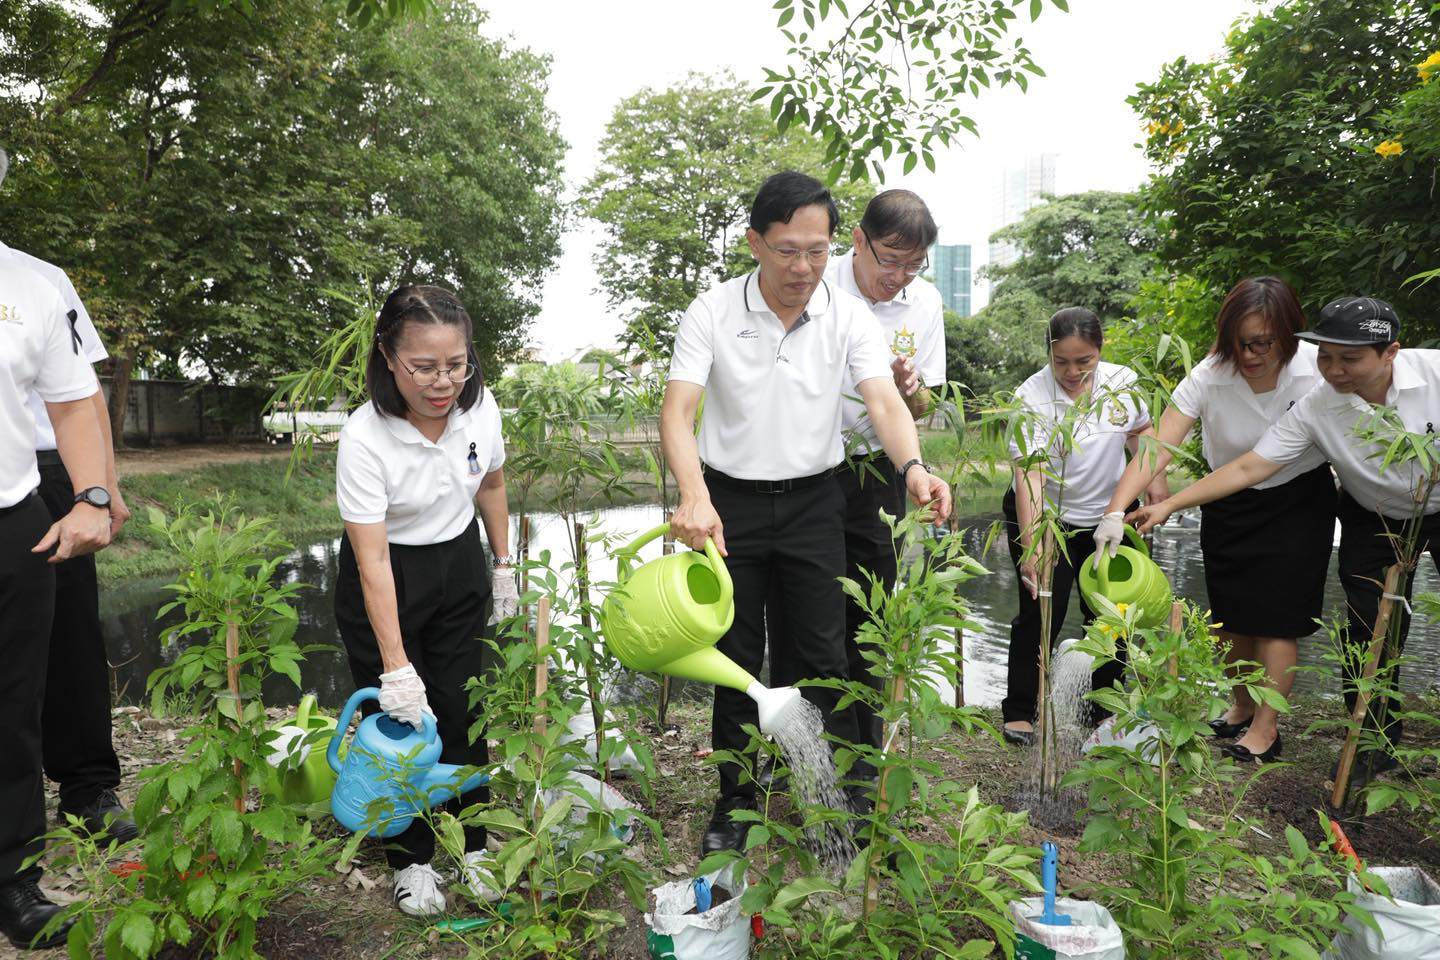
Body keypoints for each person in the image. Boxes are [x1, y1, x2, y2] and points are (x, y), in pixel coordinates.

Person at [661, 171, 952, 855]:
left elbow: (883, 401)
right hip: (727, 504)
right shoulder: (712, 310)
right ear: (756, 243)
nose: (804, 267)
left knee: (822, 655)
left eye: (818, 251)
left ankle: (828, 790)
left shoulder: (846, 315)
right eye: (789, 250)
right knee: (736, 656)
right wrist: (693, 493)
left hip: (815, 502)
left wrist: (913, 467)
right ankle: (735, 801)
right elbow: (678, 410)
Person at [1132, 297, 1438, 785]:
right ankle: (1373, 744)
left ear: (1390, 353)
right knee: (1368, 629)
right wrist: (1169, 503)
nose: (1334, 370)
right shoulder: (1320, 403)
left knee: (1285, 622)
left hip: (1418, 503)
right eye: (1326, 357)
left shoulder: (1435, 376)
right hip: (1373, 515)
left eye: (1349, 359)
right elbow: (1251, 465)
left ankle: (1281, 728)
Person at [333, 284, 519, 917]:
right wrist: (395, 663)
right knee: (402, 726)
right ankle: (410, 860)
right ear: (389, 357)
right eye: (424, 367)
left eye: (457, 363)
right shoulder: (364, 437)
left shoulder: (480, 405)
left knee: (465, 710)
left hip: (459, 564)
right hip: (387, 577)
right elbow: (373, 559)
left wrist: (504, 564)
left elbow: (491, 481)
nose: (444, 381)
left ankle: (473, 845)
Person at [1097, 278, 1333, 763]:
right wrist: (1115, 510)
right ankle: (1242, 705)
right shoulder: (1209, 374)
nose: (1249, 354)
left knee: (1276, 620)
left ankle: (1267, 730)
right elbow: (1159, 446)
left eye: (1262, 342)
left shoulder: (1316, 369)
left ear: (1289, 334)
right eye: (1238, 342)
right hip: (1227, 497)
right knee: (1230, 617)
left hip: (1298, 499)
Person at [766, 189, 946, 809]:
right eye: (889, 260)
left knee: (865, 614)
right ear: (859, 241)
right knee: (799, 614)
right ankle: (794, 746)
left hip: (876, 472)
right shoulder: (813, 280)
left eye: (912, 266)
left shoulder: (925, 305)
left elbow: (922, 407)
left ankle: (860, 754)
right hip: (803, 469)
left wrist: (912, 389)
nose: (897, 278)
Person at [0, 236, 138, 844]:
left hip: (54, 469)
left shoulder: (40, 279)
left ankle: (87, 789)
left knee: (72, 636)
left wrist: (103, 489)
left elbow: (84, 394)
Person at [1001, 307, 1169, 746]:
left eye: (1084, 361)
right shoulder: (1031, 398)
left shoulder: (1122, 383)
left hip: (1108, 518)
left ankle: (1101, 713)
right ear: (1049, 353)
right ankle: (1021, 709)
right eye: (1062, 362)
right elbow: (1030, 478)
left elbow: (1143, 432)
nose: (1072, 372)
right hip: (1047, 518)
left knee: (1111, 616)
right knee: (1039, 611)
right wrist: (1035, 542)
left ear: (1100, 350)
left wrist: (1156, 487)